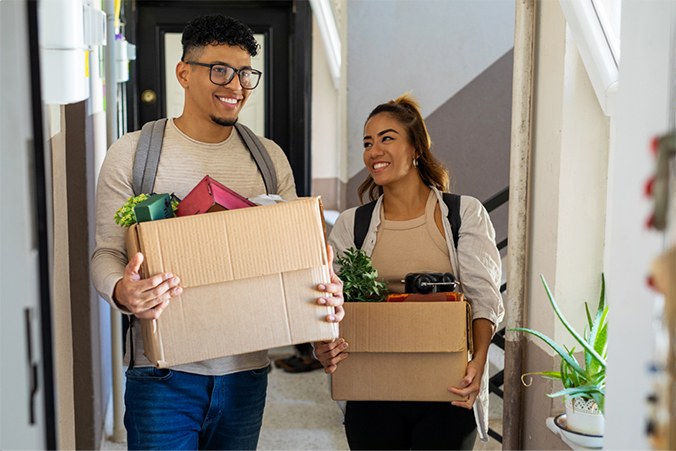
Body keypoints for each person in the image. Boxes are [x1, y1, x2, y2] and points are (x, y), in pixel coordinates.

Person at [91, 14, 344, 450]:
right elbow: (105, 254)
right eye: (221, 70)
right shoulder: (133, 154)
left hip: (246, 375)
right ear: (184, 73)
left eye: (246, 73)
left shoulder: (269, 160)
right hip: (161, 376)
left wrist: (324, 305)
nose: (237, 86)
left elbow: (300, 261)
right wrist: (123, 292)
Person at [314, 94, 504, 450]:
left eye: (387, 138)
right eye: (368, 143)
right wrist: (321, 345)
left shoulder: (464, 215)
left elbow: (484, 298)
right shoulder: (351, 224)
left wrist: (478, 363)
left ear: (416, 147)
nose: (374, 151)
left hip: (447, 388)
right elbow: (327, 301)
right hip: (372, 388)